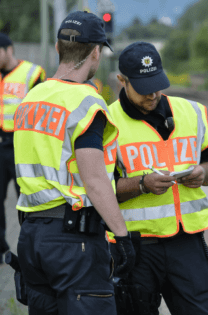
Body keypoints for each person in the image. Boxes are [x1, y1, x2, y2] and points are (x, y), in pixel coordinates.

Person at [13, 11, 135, 315]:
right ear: (96, 52)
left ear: (58, 48)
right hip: (72, 242)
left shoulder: (31, 98)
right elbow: (94, 180)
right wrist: (122, 236)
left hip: (31, 237)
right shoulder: (85, 102)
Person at [108, 41, 208, 315]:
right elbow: (99, 188)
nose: (153, 94)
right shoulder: (106, 122)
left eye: (157, 84)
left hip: (186, 241)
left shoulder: (192, 112)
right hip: (134, 247)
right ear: (121, 81)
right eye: (143, 88)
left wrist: (203, 173)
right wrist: (141, 184)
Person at [0, 33, 45, 264]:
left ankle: (31, 248)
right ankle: (1, 248)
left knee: (26, 198)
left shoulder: (32, 73)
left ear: (9, 49)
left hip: (21, 146)